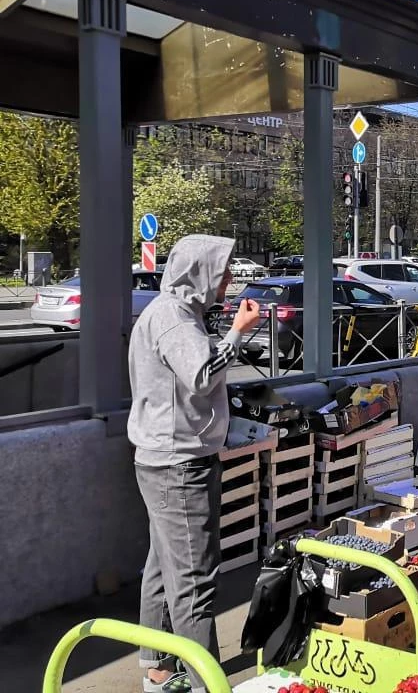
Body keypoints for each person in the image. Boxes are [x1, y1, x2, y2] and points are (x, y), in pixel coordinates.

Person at [128, 235, 261, 693]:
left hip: (163, 459)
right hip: (179, 464)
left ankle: (156, 666)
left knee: (164, 566)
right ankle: (206, 681)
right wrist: (239, 331)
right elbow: (202, 375)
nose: (228, 280)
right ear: (201, 272)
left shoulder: (172, 313)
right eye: (222, 271)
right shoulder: (174, 319)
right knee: (194, 582)